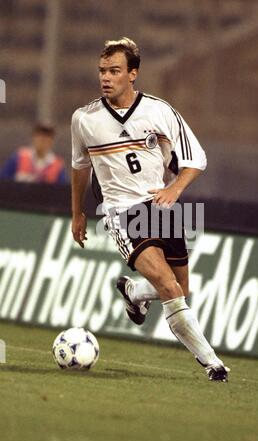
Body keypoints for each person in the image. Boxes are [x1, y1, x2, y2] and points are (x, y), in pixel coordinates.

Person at [71, 37, 229, 382]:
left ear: (133, 74)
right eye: (102, 71)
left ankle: (135, 291)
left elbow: (196, 159)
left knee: (181, 289)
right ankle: (213, 364)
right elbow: (80, 166)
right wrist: (78, 212)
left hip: (162, 205)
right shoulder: (85, 119)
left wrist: (175, 188)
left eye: (114, 70)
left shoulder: (159, 110)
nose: (106, 77)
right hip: (122, 212)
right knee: (171, 289)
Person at [0, 123, 68, 183]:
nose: (43, 139)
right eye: (40, 135)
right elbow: (3, 181)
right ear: (33, 137)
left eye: (47, 136)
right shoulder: (18, 158)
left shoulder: (57, 166)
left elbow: (63, 190)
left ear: (51, 141)